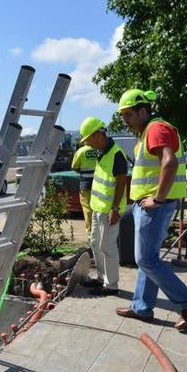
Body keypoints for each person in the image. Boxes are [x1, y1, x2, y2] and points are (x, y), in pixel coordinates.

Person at [114, 89, 187, 331]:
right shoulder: (147, 132)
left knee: (146, 259)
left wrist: (158, 198)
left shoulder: (155, 128)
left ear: (143, 111)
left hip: (154, 207)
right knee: (147, 260)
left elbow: (170, 161)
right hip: (147, 205)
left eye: (128, 115)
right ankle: (142, 307)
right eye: (123, 116)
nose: (125, 120)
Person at [78, 117, 129, 296]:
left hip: (109, 210)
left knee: (107, 247)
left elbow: (122, 182)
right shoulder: (102, 152)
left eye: (89, 140)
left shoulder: (116, 154)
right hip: (98, 208)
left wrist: (115, 209)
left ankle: (111, 285)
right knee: (95, 243)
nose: (88, 144)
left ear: (98, 135)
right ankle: (101, 278)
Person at [71, 142, 99, 234]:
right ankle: (99, 232)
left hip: (85, 185)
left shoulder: (81, 151)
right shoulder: (99, 149)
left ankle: (91, 234)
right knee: (99, 208)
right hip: (99, 184)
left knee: (88, 209)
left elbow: (74, 167)